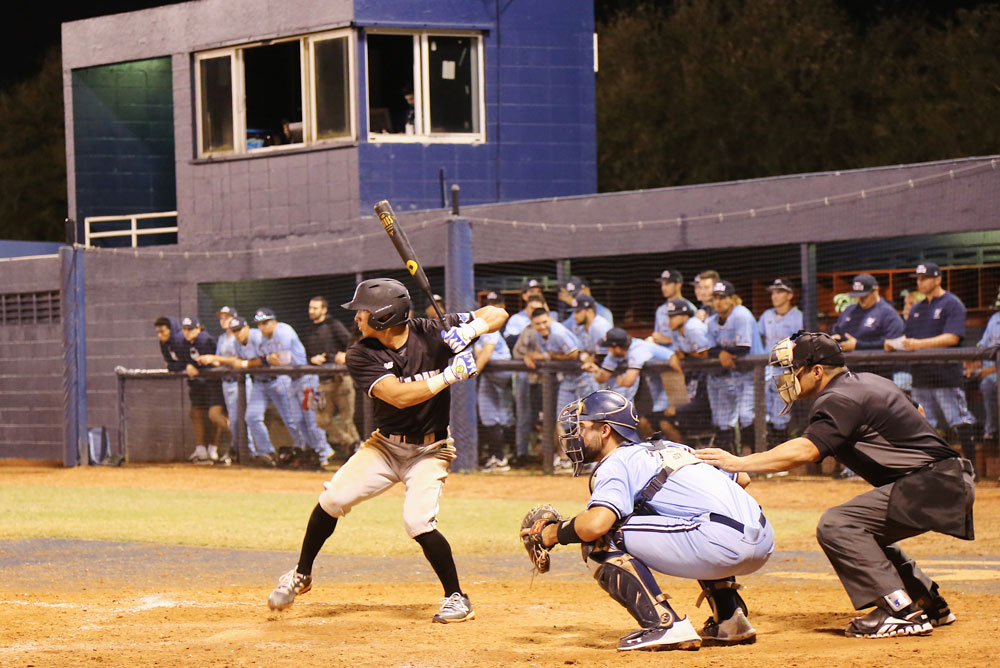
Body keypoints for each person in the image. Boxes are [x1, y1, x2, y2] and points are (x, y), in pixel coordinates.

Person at [697, 331, 974, 639]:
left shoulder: (837, 398)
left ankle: (899, 611)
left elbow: (806, 450)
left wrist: (737, 462)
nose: (787, 378)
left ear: (817, 371)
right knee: (865, 529)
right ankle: (927, 603)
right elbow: (917, 412)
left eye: (794, 371)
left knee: (838, 525)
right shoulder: (870, 382)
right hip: (945, 480)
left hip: (932, 484)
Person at [266, 277, 509, 623]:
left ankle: (457, 597)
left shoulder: (432, 330)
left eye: (361, 312)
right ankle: (301, 575)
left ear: (382, 318)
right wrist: (449, 375)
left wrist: (473, 329)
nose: (356, 318)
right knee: (332, 499)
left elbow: (498, 312)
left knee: (417, 521)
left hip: (431, 449)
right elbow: (398, 395)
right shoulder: (360, 352)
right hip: (385, 446)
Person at [528, 390, 772, 651]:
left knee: (603, 536)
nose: (575, 435)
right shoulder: (673, 447)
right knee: (686, 516)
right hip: (764, 539)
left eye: (583, 427)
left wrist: (551, 533)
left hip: (721, 543)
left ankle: (663, 625)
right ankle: (730, 619)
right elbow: (742, 479)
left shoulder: (616, 461)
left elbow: (595, 524)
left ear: (605, 431)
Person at [887, 262, 977, 475]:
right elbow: (909, 338)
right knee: (924, 424)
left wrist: (918, 345)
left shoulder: (952, 303)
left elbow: (953, 337)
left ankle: (972, 469)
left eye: (924, 278)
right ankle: (929, 470)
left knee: (960, 421)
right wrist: (895, 343)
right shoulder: (917, 308)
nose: (920, 282)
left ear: (937, 279)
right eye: (918, 278)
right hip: (921, 376)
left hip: (946, 376)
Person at [255, 307, 334, 467]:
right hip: (292, 381)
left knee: (312, 420)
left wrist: (271, 359)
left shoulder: (284, 332)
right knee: (297, 420)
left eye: (265, 323)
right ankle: (311, 452)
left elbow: (282, 361)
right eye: (259, 324)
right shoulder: (265, 338)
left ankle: (323, 451)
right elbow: (268, 358)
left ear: (273, 321)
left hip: (308, 379)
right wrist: (271, 359)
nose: (262, 327)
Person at [197, 316, 277, 466]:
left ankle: (269, 453)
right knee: (240, 421)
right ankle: (249, 453)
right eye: (234, 331)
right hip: (254, 382)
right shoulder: (235, 342)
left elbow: (262, 359)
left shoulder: (257, 337)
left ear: (246, 327)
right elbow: (237, 361)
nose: (237, 333)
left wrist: (217, 358)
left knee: (293, 420)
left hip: (278, 380)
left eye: (239, 329)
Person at [522, 307, 593, 472]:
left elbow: (574, 354)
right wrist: (529, 356)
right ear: (533, 324)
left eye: (545, 322)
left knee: (587, 420)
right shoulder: (536, 335)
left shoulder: (558, 332)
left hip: (584, 376)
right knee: (561, 420)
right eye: (538, 324)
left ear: (550, 320)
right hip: (568, 379)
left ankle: (591, 458)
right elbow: (540, 353)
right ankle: (563, 460)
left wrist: (547, 357)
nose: (542, 326)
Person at [585, 327, 682, 440]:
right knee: (648, 422)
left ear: (616, 347)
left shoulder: (638, 350)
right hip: (653, 386)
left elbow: (628, 381)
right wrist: (596, 370)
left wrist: (622, 379)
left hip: (672, 382)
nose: (608, 350)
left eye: (609, 347)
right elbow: (602, 378)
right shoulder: (616, 354)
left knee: (666, 422)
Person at [705, 280, 763, 455]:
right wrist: (722, 353)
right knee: (725, 418)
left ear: (732, 299)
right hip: (734, 374)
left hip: (755, 372)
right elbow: (709, 349)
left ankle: (752, 455)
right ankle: (731, 459)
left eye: (722, 298)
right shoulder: (713, 321)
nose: (718, 302)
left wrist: (722, 352)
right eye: (715, 298)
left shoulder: (741, 314)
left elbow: (743, 347)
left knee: (747, 415)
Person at [304, 296, 359, 456]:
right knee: (320, 420)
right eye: (310, 308)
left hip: (341, 380)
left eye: (315, 308)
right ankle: (352, 443)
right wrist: (312, 359)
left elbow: (351, 344)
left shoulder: (333, 325)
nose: (311, 311)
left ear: (324, 309)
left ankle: (359, 456)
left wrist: (342, 355)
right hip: (322, 382)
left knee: (348, 420)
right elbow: (306, 355)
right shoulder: (308, 330)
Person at [831, 273, 904, 380]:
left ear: (876, 290)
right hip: (849, 372)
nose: (861, 300)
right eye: (858, 296)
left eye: (864, 296)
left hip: (878, 375)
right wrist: (834, 337)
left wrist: (858, 345)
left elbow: (894, 343)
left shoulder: (888, 313)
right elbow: (836, 330)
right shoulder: (850, 310)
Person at [661, 299, 714, 443]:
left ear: (685, 316)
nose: (669, 320)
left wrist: (686, 355)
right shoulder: (676, 331)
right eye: (669, 316)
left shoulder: (692, 327)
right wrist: (676, 355)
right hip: (698, 378)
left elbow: (707, 353)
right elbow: (679, 353)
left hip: (715, 375)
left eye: (673, 316)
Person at [757, 279, 803, 447]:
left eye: (779, 292)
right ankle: (766, 453)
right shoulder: (766, 316)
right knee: (764, 413)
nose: (774, 296)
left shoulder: (799, 317)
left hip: (787, 370)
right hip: (766, 369)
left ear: (790, 295)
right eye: (773, 292)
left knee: (782, 414)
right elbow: (758, 337)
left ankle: (782, 458)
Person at [505, 279, 547, 465]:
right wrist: (527, 356)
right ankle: (522, 454)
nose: (533, 311)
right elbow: (514, 347)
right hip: (525, 377)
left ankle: (550, 455)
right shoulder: (522, 325)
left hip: (547, 379)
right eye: (531, 308)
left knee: (547, 417)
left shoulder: (551, 325)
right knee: (524, 416)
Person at [179, 317, 229, 463]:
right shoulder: (183, 343)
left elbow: (218, 361)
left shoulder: (206, 340)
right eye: (185, 329)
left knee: (215, 415)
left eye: (191, 329)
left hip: (215, 383)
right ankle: (201, 450)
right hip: (199, 384)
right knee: (196, 412)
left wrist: (204, 365)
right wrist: (187, 366)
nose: (187, 333)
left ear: (199, 328)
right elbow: (181, 361)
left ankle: (219, 448)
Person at [476, 291, 515, 472]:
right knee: (489, 415)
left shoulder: (491, 326)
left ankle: (506, 456)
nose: (492, 307)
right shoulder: (479, 323)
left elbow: (487, 351)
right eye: (489, 303)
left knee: (504, 416)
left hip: (502, 373)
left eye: (495, 303)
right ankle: (498, 457)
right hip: (489, 374)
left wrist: (474, 370)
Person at [212, 306, 254, 463]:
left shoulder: (240, 336)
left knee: (244, 419)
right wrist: (211, 360)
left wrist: (217, 360)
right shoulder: (222, 338)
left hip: (241, 383)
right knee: (234, 421)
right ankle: (240, 451)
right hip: (227, 383)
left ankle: (250, 453)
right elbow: (217, 359)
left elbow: (239, 360)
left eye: (227, 317)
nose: (223, 320)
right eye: (221, 318)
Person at [651, 269, 696, 347]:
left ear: (678, 285)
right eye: (662, 284)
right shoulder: (660, 310)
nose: (663, 288)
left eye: (667, 284)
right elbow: (657, 335)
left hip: (683, 353)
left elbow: (694, 339)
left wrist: (668, 340)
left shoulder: (689, 308)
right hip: (663, 352)